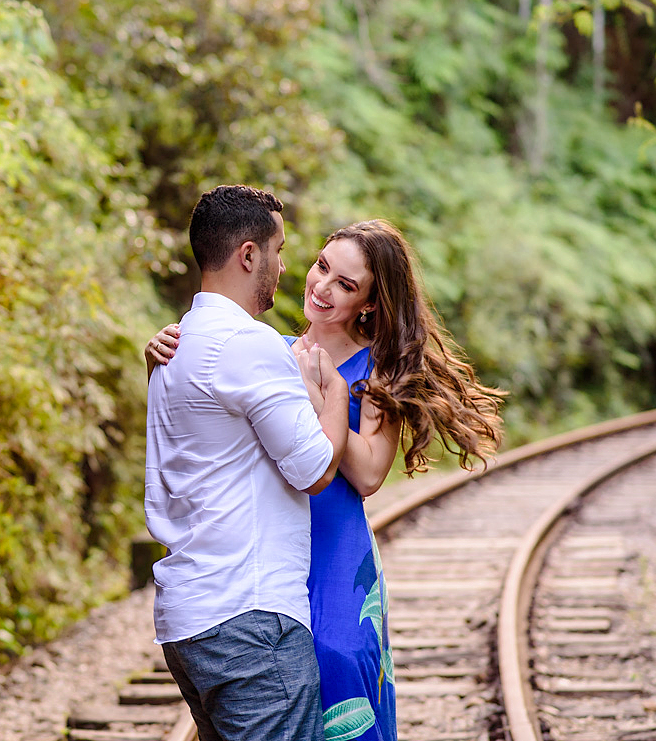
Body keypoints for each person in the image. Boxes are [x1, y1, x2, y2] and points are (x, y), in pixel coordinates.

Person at [147, 218, 505, 741]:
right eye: (321, 267)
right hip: (263, 543)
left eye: (345, 284)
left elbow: (371, 472)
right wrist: (161, 358)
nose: (322, 287)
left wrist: (327, 399)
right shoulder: (268, 349)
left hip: (333, 544)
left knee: (339, 658)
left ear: (369, 304)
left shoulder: (377, 367)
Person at [145, 185, 352, 741]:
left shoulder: (173, 346)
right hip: (249, 616)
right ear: (248, 254)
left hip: (189, 620)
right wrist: (334, 392)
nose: (284, 266)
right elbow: (316, 471)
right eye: (278, 250)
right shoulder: (249, 344)